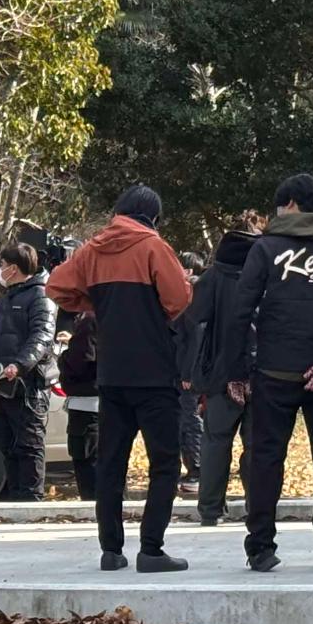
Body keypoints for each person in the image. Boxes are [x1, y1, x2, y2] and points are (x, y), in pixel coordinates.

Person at [225, 175, 313, 573]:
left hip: (274, 372)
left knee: (266, 458)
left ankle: (260, 547)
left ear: (289, 205)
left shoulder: (265, 250)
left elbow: (241, 311)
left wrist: (236, 369)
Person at [47, 184, 194, 573]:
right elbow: (179, 299)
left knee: (111, 462)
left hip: (111, 374)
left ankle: (111, 550)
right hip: (155, 372)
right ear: (153, 217)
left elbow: (56, 287)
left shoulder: (91, 250)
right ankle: (151, 549)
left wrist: (96, 304)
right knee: (164, 463)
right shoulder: (153, 247)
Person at [181, 215, 260, 525]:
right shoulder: (269, 270)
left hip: (221, 370)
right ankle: (258, 507)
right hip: (261, 371)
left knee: (216, 442)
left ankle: (211, 509)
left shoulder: (215, 276)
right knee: (257, 445)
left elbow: (195, 314)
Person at [0, 241, 59, 500]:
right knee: (5, 443)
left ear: (13, 268)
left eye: (2, 265)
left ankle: (32, 499)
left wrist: (20, 365)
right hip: (1, 387)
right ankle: (14, 498)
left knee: (29, 445)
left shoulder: (41, 297)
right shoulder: (4, 301)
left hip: (28, 387)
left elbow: (41, 337)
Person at [57, 309, 100, 498]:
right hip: (109, 402)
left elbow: (80, 361)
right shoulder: (117, 314)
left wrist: (64, 356)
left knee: (87, 463)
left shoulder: (89, 320)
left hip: (87, 402)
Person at [173, 252, 204, 495]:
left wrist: (188, 372)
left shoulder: (194, 295)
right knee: (183, 420)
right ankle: (190, 467)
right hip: (181, 368)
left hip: (189, 372)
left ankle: (197, 468)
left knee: (190, 419)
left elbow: (194, 338)